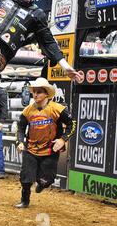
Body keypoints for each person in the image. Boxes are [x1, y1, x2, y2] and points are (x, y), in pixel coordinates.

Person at [15, 78, 76, 208]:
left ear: (46, 94)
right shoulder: (27, 111)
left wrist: (62, 139)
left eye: (39, 92)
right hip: (31, 149)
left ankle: (42, 183)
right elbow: (20, 128)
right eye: (34, 92)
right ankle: (25, 201)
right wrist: (20, 142)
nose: (35, 95)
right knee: (26, 178)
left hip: (50, 149)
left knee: (48, 179)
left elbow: (72, 124)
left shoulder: (57, 109)